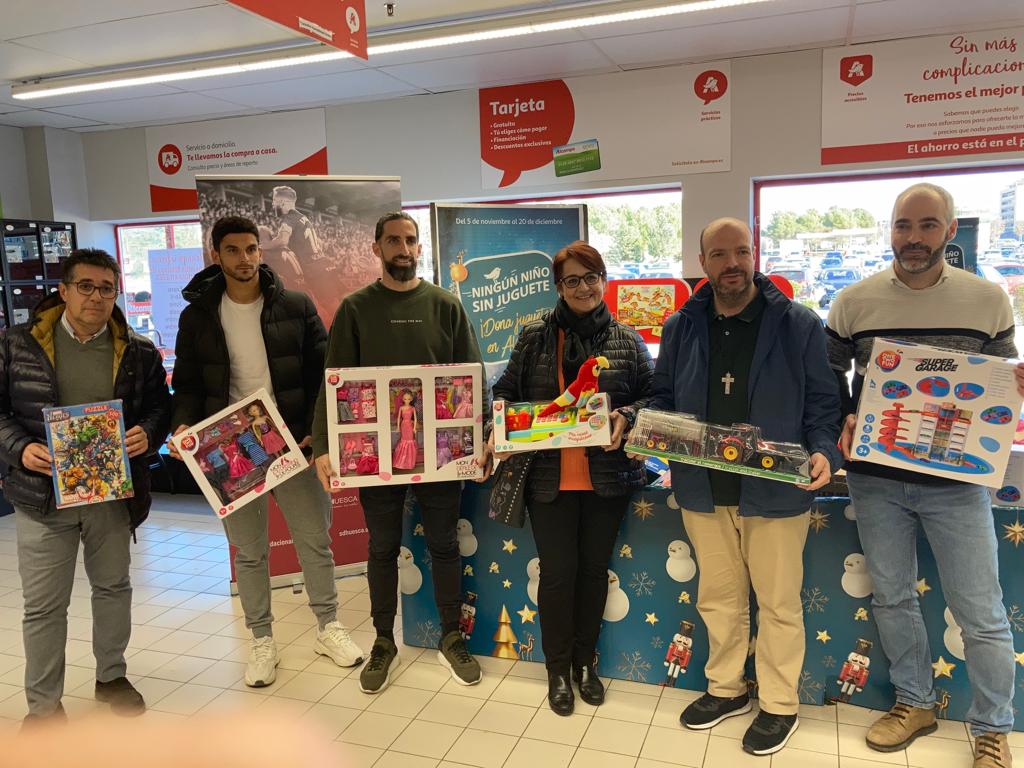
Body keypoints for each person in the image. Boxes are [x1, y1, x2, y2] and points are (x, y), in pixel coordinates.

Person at [827, 183, 1024, 768]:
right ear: (890, 229)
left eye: (927, 225)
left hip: (959, 482)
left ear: (951, 228)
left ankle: (992, 726)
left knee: (981, 611)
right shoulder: (854, 302)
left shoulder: (988, 300)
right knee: (891, 597)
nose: (913, 238)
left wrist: (1013, 391)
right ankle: (915, 702)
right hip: (876, 476)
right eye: (902, 225)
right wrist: (842, 414)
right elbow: (827, 377)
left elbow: (1000, 378)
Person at [648, 218, 840, 756]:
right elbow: (662, 396)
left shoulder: (798, 324)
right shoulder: (681, 325)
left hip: (776, 491)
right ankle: (726, 688)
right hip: (703, 487)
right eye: (719, 254)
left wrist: (825, 450)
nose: (732, 263)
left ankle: (780, 703)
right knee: (719, 597)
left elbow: (826, 404)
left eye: (741, 252)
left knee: (778, 602)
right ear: (702, 262)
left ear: (754, 255)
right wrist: (644, 424)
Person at [169, 215, 363, 689]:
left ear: (262, 252)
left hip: (290, 442)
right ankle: (261, 639)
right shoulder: (197, 316)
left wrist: (317, 430)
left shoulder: (296, 305)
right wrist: (181, 425)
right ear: (217, 255)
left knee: (313, 538)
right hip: (230, 447)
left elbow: (323, 373)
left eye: (252, 249)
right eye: (233, 250)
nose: (244, 258)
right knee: (249, 551)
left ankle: (328, 626)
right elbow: (189, 384)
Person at [313, 211, 485, 694]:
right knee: (382, 547)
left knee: (444, 544)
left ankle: (452, 635)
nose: (403, 249)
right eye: (393, 241)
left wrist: (483, 437)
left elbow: (472, 377)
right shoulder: (355, 309)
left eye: (410, 241)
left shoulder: (445, 305)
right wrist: (325, 445)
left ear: (419, 247)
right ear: (376, 248)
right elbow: (333, 381)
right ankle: (384, 640)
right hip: (375, 455)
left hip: (442, 455)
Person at [479, 241, 653, 716]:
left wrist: (628, 416)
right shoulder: (535, 336)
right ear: (559, 287)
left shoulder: (627, 339)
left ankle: (584, 665)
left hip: (607, 479)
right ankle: (557, 671)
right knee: (557, 576)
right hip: (548, 479)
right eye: (572, 280)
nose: (583, 287)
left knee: (594, 574)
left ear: (604, 279)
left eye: (591, 276)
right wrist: (498, 428)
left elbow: (653, 397)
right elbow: (505, 393)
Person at [0, 248, 171, 724]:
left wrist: (148, 434)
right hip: (42, 498)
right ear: (63, 289)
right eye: (86, 286)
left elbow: (160, 407)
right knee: (43, 607)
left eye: (106, 288)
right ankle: (43, 707)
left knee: (114, 588)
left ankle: (111, 676)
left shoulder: (136, 351)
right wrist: (19, 448)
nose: (96, 297)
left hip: (111, 497)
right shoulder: (16, 345)